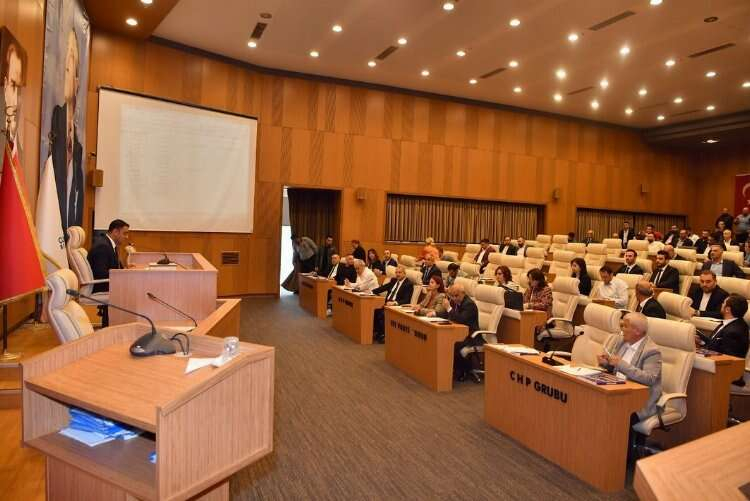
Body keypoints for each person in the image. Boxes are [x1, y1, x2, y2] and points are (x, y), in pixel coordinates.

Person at [597, 312, 662, 459]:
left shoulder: (652, 351)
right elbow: (615, 368)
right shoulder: (622, 342)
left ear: (637, 331)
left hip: (640, 399)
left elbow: (649, 379)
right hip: (617, 390)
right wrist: (606, 363)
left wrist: (621, 364)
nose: (622, 330)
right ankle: (599, 452)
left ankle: (619, 460)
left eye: (625, 326)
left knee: (617, 416)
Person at [51, 29, 83, 231]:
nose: (65, 75)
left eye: (69, 70)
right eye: (64, 69)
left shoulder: (77, 143)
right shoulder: (56, 121)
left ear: (77, 82)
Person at [427, 284, 480, 383]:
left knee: (453, 344)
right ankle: (447, 369)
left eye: (456, 296)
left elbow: (461, 320)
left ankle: (464, 370)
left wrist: (449, 308)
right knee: (443, 341)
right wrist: (435, 314)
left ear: (463, 294)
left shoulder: (469, 304)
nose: (454, 298)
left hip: (471, 336)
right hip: (458, 332)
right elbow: (448, 314)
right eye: (452, 296)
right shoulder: (455, 301)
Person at [88, 219, 129, 326]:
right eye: (124, 233)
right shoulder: (102, 247)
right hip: (101, 285)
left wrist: (125, 271)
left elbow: (113, 266)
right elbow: (101, 273)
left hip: (107, 282)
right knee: (132, 289)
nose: (126, 237)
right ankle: (116, 325)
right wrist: (124, 276)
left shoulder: (108, 244)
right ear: (115, 232)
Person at [696, 294, 749, 366]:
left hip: (720, 369)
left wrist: (700, 351)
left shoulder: (733, 332)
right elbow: (716, 344)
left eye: (723, 303)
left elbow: (727, 360)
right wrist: (701, 341)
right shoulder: (731, 323)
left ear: (727, 309)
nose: (722, 304)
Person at [371, 265, 414, 343]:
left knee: (382, 314)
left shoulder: (408, 284)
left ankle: (385, 335)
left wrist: (394, 303)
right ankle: (379, 332)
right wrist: (371, 292)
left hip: (396, 306)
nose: (397, 274)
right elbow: (383, 288)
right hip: (387, 304)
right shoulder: (393, 280)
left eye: (400, 272)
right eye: (396, 272)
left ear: (404, 274)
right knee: (376, 311)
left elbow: (406, 300)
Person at [2, 32, 24, 163]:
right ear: (4, 85)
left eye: (19, 89)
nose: (17, 98)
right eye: (13, 85)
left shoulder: (19, 148)